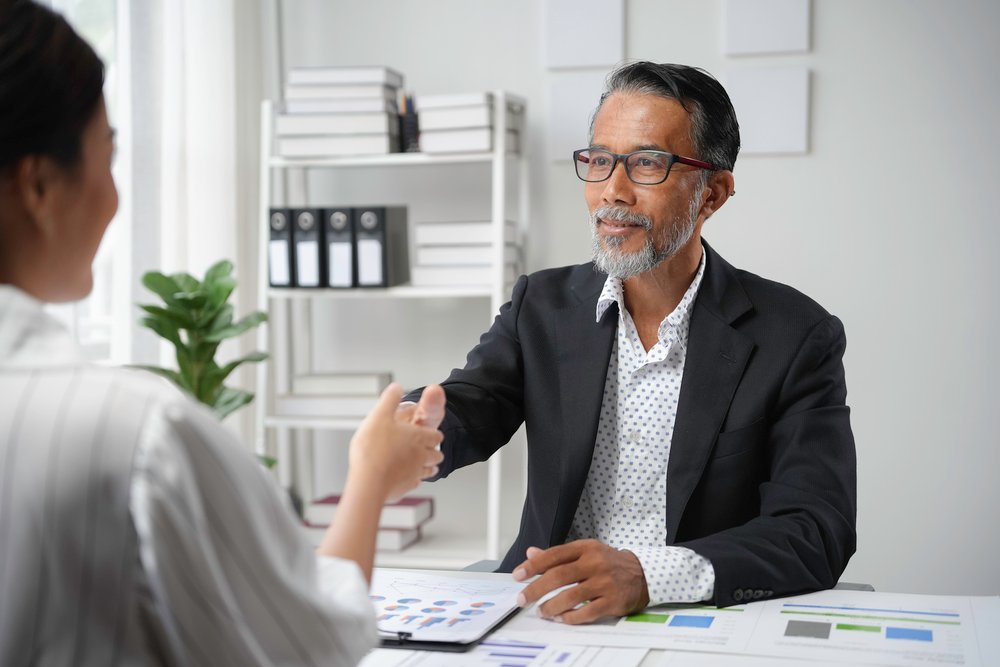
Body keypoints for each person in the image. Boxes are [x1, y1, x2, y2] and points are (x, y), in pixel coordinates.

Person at [0, 2, 445, 664]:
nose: (116, 196)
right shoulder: (140, 435)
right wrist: (372, 475)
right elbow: (310, 644)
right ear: (39, 184)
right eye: (108, 153)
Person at [405, 61, 857, 624]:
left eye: (646, 163)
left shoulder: (795, 336)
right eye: (598, 161)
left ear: (712, 193)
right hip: (545, 614)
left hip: (697, 622)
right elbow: (475, 401)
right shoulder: (540, 306)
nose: (611, 192)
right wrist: (415, 431)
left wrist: (649, 575)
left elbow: (816, 529)